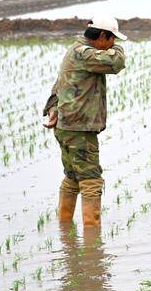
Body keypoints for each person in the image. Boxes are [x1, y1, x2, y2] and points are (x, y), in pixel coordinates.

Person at [43, 16, 127, 233]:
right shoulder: (84, 53)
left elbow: (59, 84)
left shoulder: (75, 50)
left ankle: (65, 228)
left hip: (67, 126)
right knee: (91, 181)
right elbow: (116, 63)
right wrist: (116, 50)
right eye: (111, 39)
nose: (112, 45)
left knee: (72, 177)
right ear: (101, 36)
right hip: (79, 129)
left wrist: (53, 109)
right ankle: (92, 238)